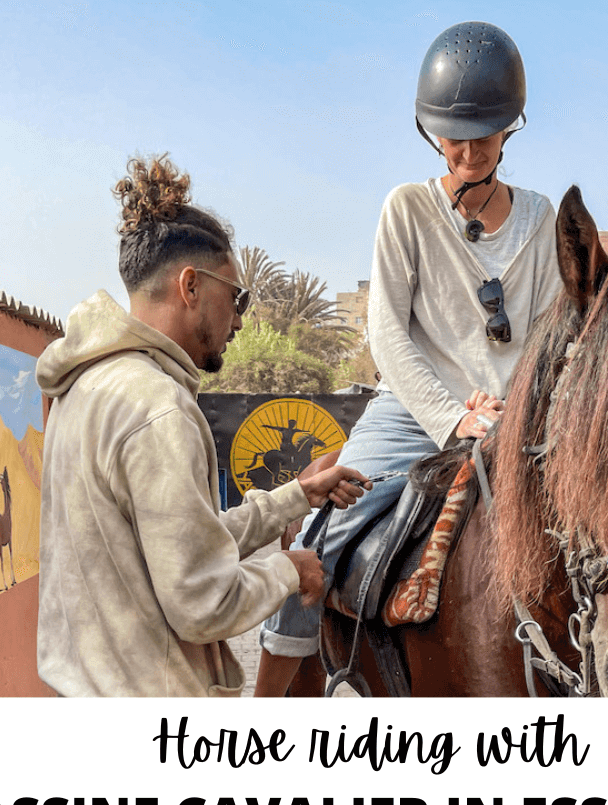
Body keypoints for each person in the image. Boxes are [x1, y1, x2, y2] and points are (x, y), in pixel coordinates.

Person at [255, 20, 562, 694]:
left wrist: (507, 408)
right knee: (314, 534)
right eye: (453, 134)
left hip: (513, 415)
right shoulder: (406, 209)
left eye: (483, 133)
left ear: (510, 129)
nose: (467, 150)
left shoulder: (542, 221)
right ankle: (272, 698)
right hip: (412, 412)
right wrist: (455, 419)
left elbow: (544, 335)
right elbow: (389, 337)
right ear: (431, 130)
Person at [35, 153, 369, 696]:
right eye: (236, 297)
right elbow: (202, 599)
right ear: (191, 286)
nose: (239, 318)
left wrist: (297, 495)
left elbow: (186, 546)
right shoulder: (158, 408)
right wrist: (290, 570)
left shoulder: (86, 388)